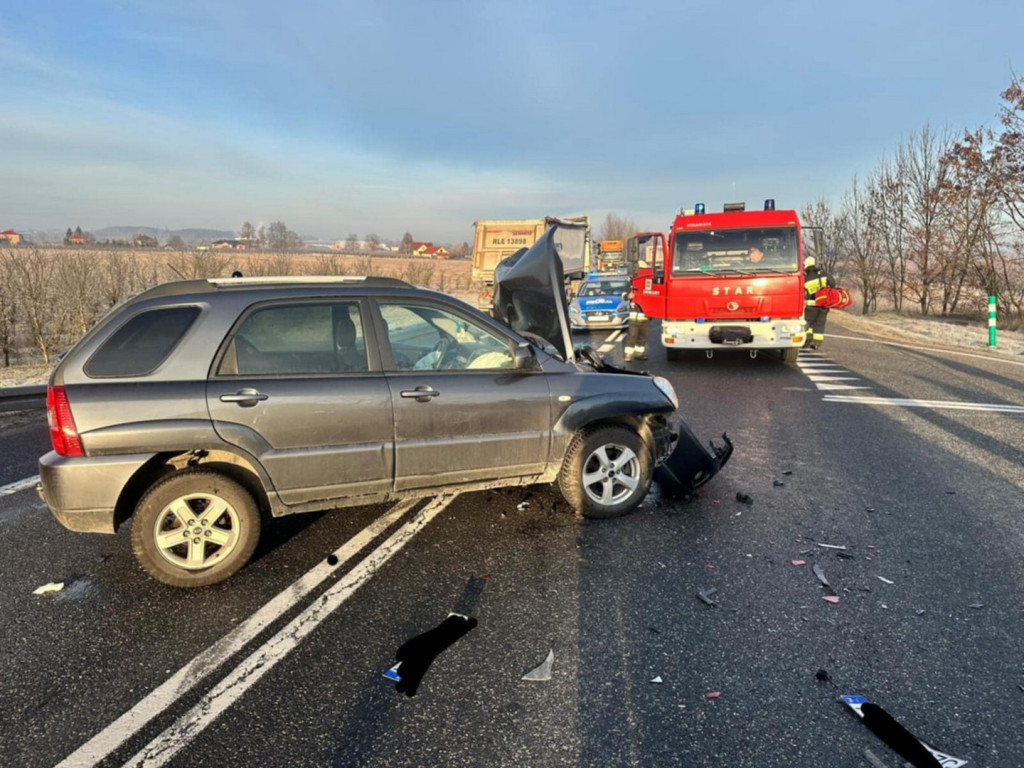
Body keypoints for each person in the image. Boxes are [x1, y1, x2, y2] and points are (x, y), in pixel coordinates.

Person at [803, 255, 829, 349]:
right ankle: (816, 344)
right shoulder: (823, 274)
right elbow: (833, 283)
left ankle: (807, 341)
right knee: (820, 324)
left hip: (811, 305)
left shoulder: (806, 278)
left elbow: (802, 290)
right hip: (824, 305)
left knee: (807, 323)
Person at [624, 290, 650, 362]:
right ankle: (628, 355)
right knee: (632, 336)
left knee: (643, 336)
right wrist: (628, 296)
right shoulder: (631, 285)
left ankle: (639, 354)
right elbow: (624, 296)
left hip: (646, 317)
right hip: (634, 318)